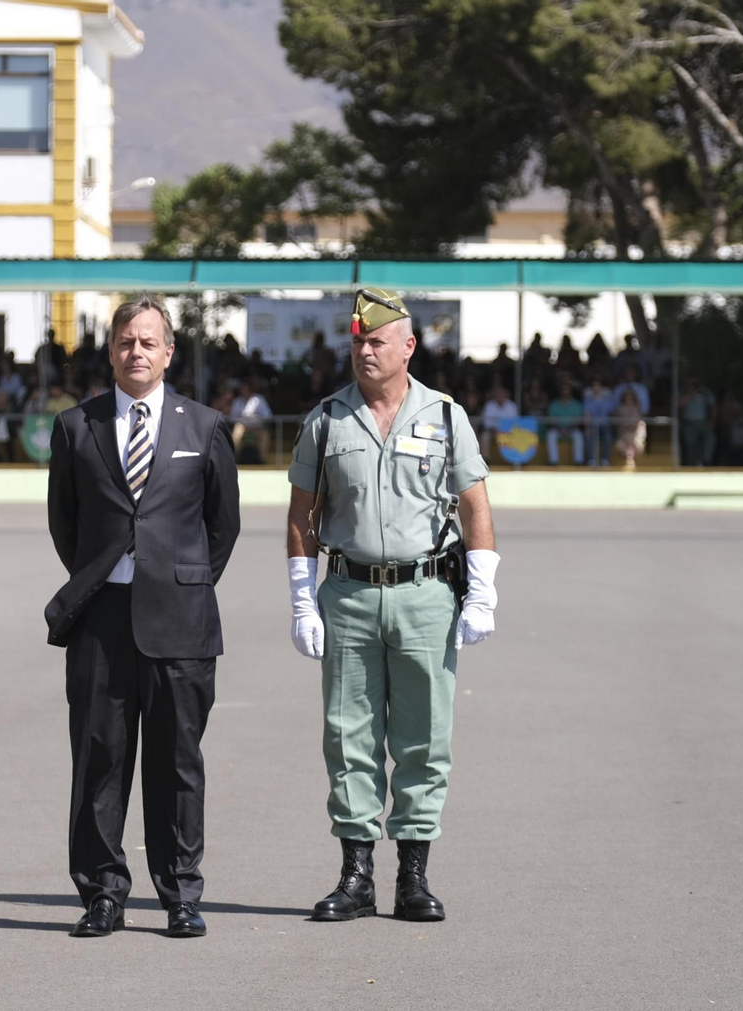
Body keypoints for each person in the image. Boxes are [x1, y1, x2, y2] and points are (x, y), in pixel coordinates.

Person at [285, 288, 498, 924]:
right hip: (347, 595)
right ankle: (355, 875)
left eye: (376, 341)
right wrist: (302, 598)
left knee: (424, 737)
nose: (364, 351)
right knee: (348, 737)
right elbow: (303, 515)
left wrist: (482, 592)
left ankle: (413, 875)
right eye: (357, 341)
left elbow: (475, 505)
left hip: (426, 595)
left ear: (408, 347)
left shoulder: (445, 415)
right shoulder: (326, 420)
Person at [45, 293, 240, 940]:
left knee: (177, 762)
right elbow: (65, 524)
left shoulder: (204, 427)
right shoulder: (78, 426)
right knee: (98, 760)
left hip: (181, 618)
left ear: (169, 352)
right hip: (102, 618)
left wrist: (180, 580)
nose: (137, 351)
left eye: (148, 341)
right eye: (126, 340)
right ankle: (102, 893)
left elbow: (223, 527)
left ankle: (181, 893)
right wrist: (106, 572)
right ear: (111, 350)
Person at [545, 375, 586, 465]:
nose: (565, 392)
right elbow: (551, 420)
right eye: (563, 390)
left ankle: (578, 461)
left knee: (578, 435)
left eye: (567, 390)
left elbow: (579, 419)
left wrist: (569, 429)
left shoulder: (576, 404)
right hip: (557, 429)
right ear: (560, 391)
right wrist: (559, 429)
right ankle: (553, 461)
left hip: (572, 429)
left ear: (571, 391)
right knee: (550, 435)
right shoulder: (554, 404)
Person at [679, 378, 716, 467]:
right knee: (690, 445)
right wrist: (690, 395)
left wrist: (712, 420)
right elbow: (678, 405)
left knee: (711, 438)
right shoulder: (682, 391)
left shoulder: (705, 391)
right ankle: (691, 465)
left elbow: (713, 406)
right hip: (689, 424)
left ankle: (706, 461)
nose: (693, 383)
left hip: (703, 423)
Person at [613, 387, 647, 469]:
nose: (629, 400)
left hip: (635, 435)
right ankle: (630, 459)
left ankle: (629, 459)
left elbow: (640, 421)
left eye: (631, 398)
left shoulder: (638, 408)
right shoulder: (619, 409)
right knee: (628, 439)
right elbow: (617, 422)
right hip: (623, 433)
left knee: (639, 428)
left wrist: (633, 427)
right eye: (627, 398)